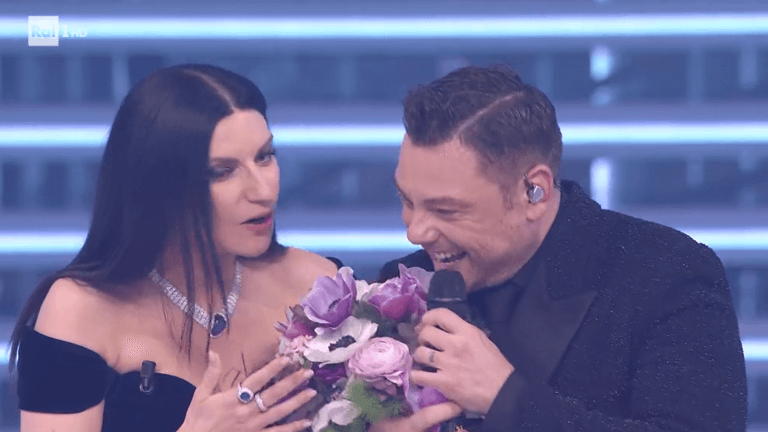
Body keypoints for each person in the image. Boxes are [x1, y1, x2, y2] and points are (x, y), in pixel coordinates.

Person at [374, 65, 748, 432]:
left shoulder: (667, 275)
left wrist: (505, 400)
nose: (416, 232)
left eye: (446, 210)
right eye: (406, 200)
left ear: (533, 192)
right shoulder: (398, 287)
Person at [8, 64, 342, 432]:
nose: (263, 191)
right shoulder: (79, 310)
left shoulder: (318, 285)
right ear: (158, 186)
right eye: (222, 171)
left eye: (264, 156)